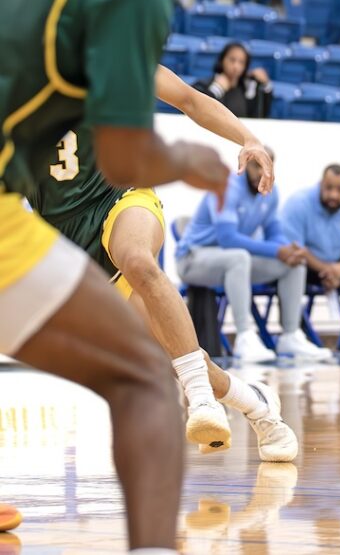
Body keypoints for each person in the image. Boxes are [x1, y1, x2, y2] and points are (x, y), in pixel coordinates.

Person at [0, 0, 229, 552]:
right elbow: (127, 155)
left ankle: (235, 397)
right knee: (143, 377)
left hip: (68, 209)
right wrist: (188, 159)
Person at [29, 65, 298, 461]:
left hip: (120, 195)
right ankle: (256, 404)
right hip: (66, 235)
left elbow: (189, 99)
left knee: (138, 260)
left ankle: (201, 401)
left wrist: (248, 138)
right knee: (176, 355)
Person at [176, 151, 332, 362]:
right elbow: (228, 238)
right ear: (244, 165)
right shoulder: (226, 187)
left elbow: (274, 233)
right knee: (239, 257)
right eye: (255, 166)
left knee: (295, 264)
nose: (261, 172)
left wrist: (288, 250)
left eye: (266, 166)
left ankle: (290, 335)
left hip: (233, 264)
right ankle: (244, 338)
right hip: (192, 260)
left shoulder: (270, 191)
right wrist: (277, 251)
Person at [282, 164, 340, 353]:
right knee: (293, 268)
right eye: (329, 188)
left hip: (338, 266)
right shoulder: (298, 203)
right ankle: (296, 335)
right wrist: (326, 269)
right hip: (306, 265)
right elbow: (295, 249)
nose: (333, 195)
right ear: (320, 184)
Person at [193, 42, 273, 119]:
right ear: (222, 60)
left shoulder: (247, 89)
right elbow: (197, 109)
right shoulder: (204, 84)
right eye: (232, 60)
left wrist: (266, 85)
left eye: (241, 62)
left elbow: (260, 116)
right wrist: (216, 89)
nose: (236, 66)